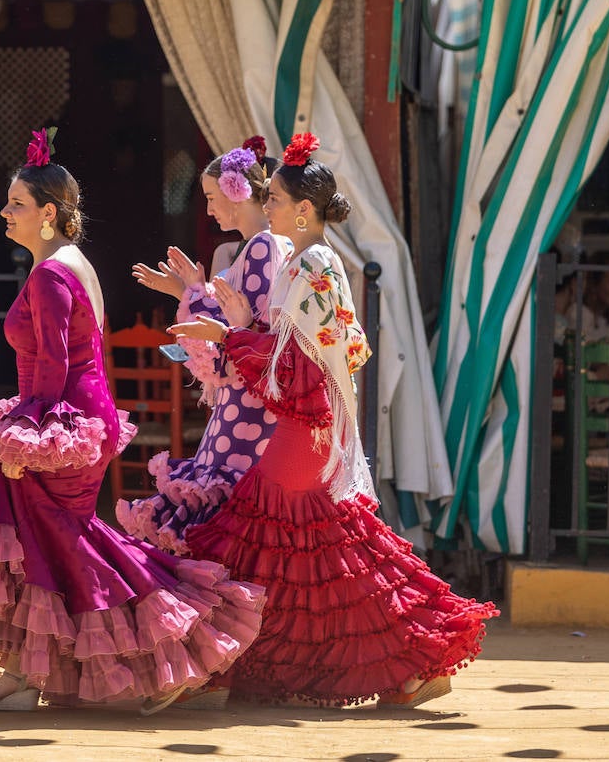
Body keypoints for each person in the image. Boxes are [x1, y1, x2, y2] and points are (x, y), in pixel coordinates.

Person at [0, 128, 265, 714]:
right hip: (77, 421)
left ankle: (170, 644)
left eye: (16, 205)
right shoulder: (72, 263)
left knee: (52, 541)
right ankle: (30, 672)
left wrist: (28, 443)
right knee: (40, 545)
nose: (4, 212)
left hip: (60, 424)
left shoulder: (51, 274)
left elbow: (51, 368)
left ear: (49, 214)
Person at [171, 133, 497, 709]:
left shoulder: (314, 262)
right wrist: (242, 325)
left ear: (303, 209)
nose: (265, 206)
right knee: (317, 548)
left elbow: (299, 365)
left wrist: (229, 334)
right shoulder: (307, 261)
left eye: (273, 198)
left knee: (309, 544)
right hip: (308, 427)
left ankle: (405, 657)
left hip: (304, 429)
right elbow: (313, 351)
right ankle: (319, 667)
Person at [119, 137, 291, 553]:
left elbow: (249, 332)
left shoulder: (263, 246)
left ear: (238, 191)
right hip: (249, 397)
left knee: (226, 503)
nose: (210, 209)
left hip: (248, 400)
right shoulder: (265, 245)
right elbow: (238, 319)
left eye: (213, 197)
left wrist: (193, 294)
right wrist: (188, 291)